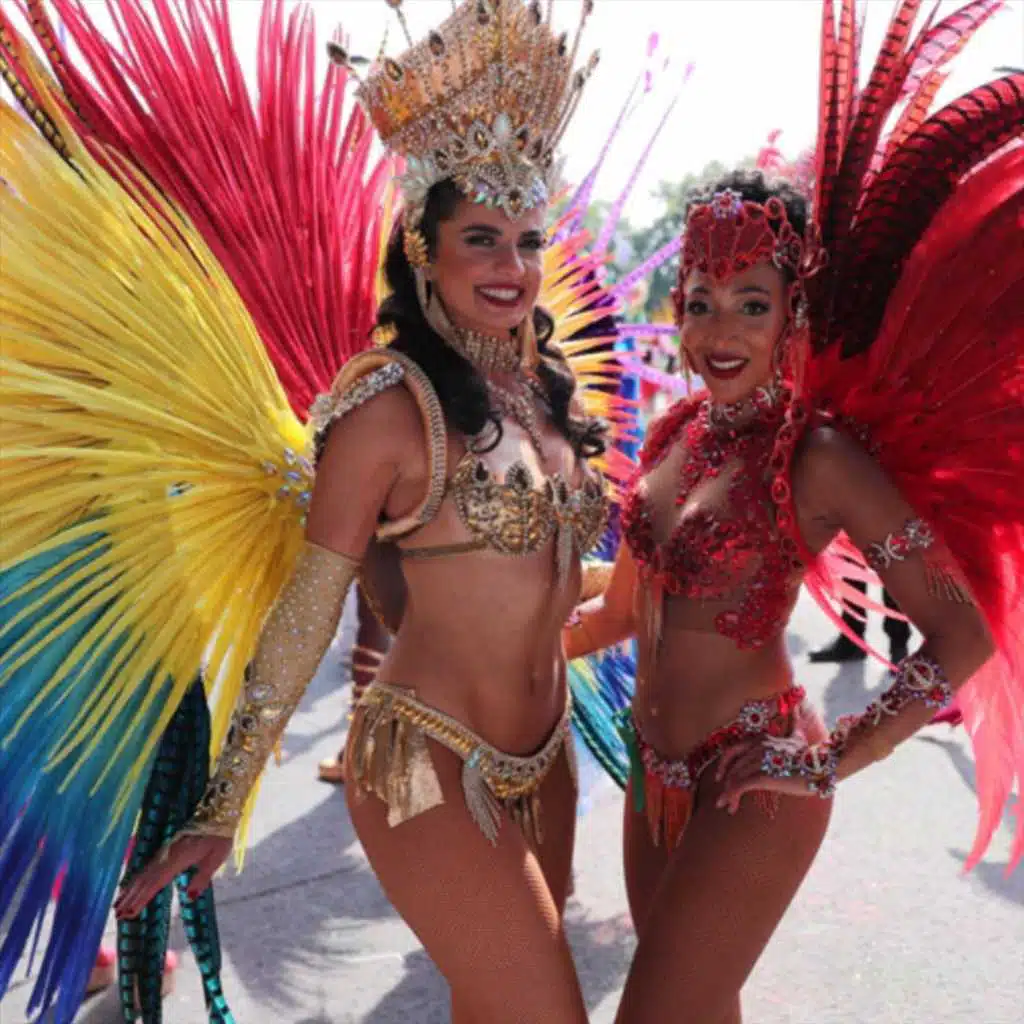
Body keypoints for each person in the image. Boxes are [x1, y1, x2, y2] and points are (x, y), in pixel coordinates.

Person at [111, 3, 612, 1021]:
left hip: (545, 756)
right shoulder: (389, 406)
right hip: (422, 762)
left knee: (498, 1005)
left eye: (527, 239)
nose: (512, 267)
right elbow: (310, 607)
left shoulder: (543, 389)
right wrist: (224, 802)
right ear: (423, 247)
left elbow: (538, 578)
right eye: (481, 240)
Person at [565, 3, 1024, 1018]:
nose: (718, 330)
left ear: (792, 316)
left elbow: (962, 629)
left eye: (751, 303)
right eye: (700, 300)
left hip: (757, 777)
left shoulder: (817, 457)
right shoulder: (673, 432)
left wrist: (832, 756)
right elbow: (624, 609)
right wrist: (479, 648)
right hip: (652, 773)